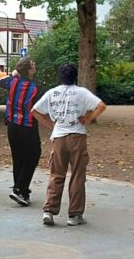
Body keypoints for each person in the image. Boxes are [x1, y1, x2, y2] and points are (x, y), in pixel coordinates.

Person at [31, 63, 106, 227]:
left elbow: (35, 111)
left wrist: (50, 124)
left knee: (56, 174)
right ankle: (74, 214)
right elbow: (101, 106)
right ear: (75, 76)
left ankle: (49, 211)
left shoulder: (53, 93)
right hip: (77, 135)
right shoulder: (81, 93)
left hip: (59, 136)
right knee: (78, 175)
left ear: (60, 76)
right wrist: (88, 118)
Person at [0, 58, 43, 206]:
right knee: (33, 156)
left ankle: (23, 193)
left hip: (12, 125)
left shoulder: (12, 82)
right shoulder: (36, 87)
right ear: (29, 70)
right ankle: (18, 189)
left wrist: (14, 74)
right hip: (28, 126)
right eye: (33, 64)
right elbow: (41, 107)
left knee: (18, 158)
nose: (35, 65)